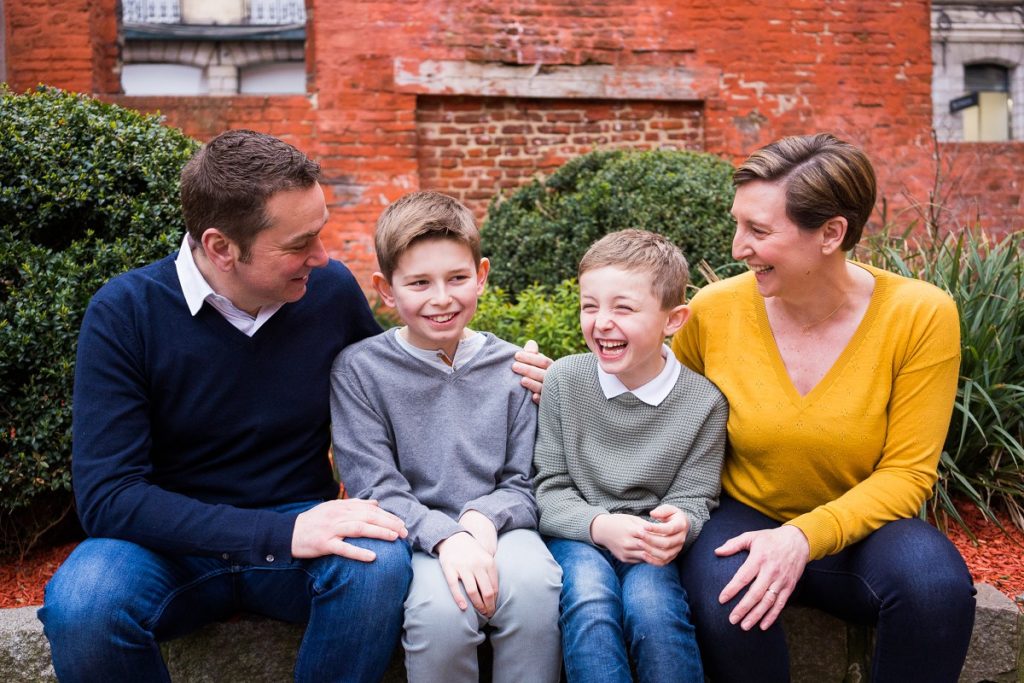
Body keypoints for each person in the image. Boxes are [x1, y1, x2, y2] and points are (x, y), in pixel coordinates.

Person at [37, 130, 550, 683]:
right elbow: (110, 498)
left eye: (320, 234)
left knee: (376, 569)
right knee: (83, 606)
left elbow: (401, 374)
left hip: (300, 527)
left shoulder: (326, 291)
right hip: (165, 546)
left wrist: (524, 379)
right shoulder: (125, 313)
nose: (323, 257)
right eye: (298, 244)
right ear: (221, 248)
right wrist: (276, 536)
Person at [672, 133, 976, 681]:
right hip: (745, 515)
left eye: (759, 231)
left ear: (832, 233)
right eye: (739, 223)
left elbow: (908, 474)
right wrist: (576, 386)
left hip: (865, 533)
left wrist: (803, 537)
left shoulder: (919, 315)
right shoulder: (713, 311)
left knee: (936, 589)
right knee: (728, 601)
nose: (738, 246)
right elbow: (663, 410)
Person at [329, 191, 562, 683]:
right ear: (386, 289)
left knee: (536, 587)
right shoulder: (360, 371)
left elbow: (527, 481)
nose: (441, 298)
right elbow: (374, 486)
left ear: (481, 275)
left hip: (502, 526)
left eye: (457, 278)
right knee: (440, 612)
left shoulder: (513, 368)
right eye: (419, 283)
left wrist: (482, 518)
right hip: (413, 533)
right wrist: (445, 536)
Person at [533, 229, 728, 683]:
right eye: (589, 305)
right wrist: (600, 526)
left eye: (623, 308)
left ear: (674, 319)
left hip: (649, 543)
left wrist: (681, 521)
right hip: (580, 536)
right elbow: (550, 487)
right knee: (588, 599)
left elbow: (696, 496)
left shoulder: (704, 404)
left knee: (654, 610)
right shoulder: (565, 380)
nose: (601, 322)